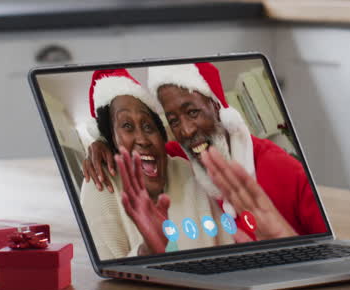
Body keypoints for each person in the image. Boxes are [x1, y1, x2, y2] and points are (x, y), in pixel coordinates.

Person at [82, 62, 327, 241]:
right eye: (173, 120)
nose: (186, 131)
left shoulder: (285, 170)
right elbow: (142, 150)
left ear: (217, 106)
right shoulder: (178, 156)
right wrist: (102, 143)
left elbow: (331, 252)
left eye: (192, 112)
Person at [78, 68, 234, 259]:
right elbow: (109, 280)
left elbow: (227, 247)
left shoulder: (186, 170)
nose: (142, 139)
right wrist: (148, 250)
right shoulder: (101, 186)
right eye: (127, 126)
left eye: (148, 126)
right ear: (111, 140)